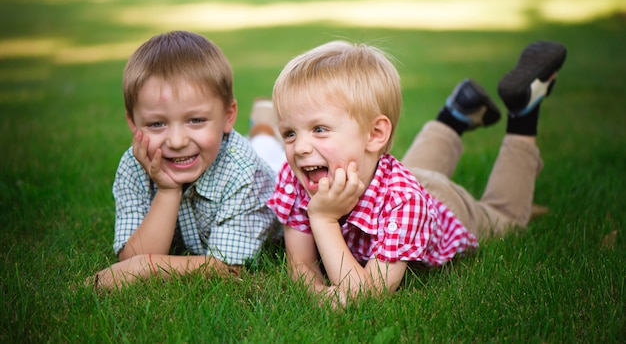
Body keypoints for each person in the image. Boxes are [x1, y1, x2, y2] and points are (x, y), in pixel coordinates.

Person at [265, 40, 566, 306]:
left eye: (319, 129)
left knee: (506, 218)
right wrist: (319, 293)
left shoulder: (404, 202)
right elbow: (301, 264)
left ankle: (524, 112)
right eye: (289, 133)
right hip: (391, 175)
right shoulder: (299, 177)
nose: (300, 147)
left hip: (442, 206)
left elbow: (368, 295)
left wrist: (323, 218)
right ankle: (457, 112)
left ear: (375, 134)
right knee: (418, 170)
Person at [90, 30, 279, 289]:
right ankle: (262, 127)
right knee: (259, 145)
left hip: (274, 170)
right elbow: (130, 259)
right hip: (223, 147)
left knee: (268, 149)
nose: (177, 142)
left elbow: (228, 267)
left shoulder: (245, 171)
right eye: (157, 124)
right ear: (134, 125)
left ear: (227, 116)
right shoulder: (134, 166)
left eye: (196, 120)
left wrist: (144, 267)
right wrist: (168, 191)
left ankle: (264, 126)